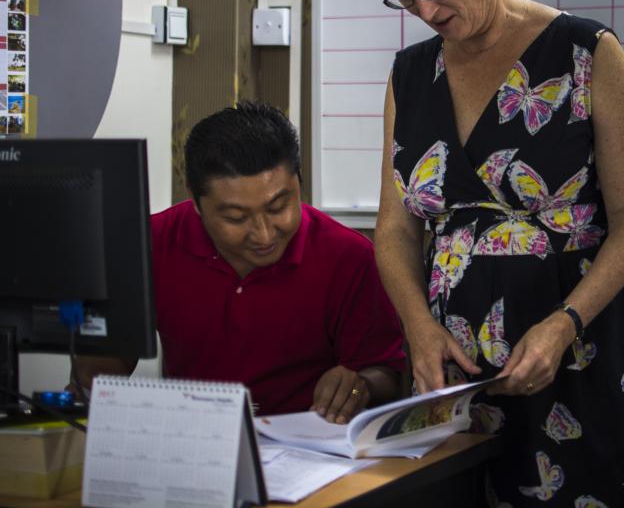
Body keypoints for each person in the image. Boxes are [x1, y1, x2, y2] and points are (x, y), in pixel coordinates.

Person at [359, 0, 624, 506]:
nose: (425, 10)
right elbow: (395, 229)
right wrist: (419, 328)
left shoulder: (587, 55)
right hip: (458, 383)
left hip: (575, 364)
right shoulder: (410, 76)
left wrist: (563, 325)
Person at [74, 102, 406, 422]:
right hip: (194, 441)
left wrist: (360, 385)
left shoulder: (349, 257)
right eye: (236, 217)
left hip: (312, 449)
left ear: (298, 182)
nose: (263, 235)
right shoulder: (149, 244)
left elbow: (386, 376)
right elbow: (99, 375)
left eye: (278, 207)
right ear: (196, 202)